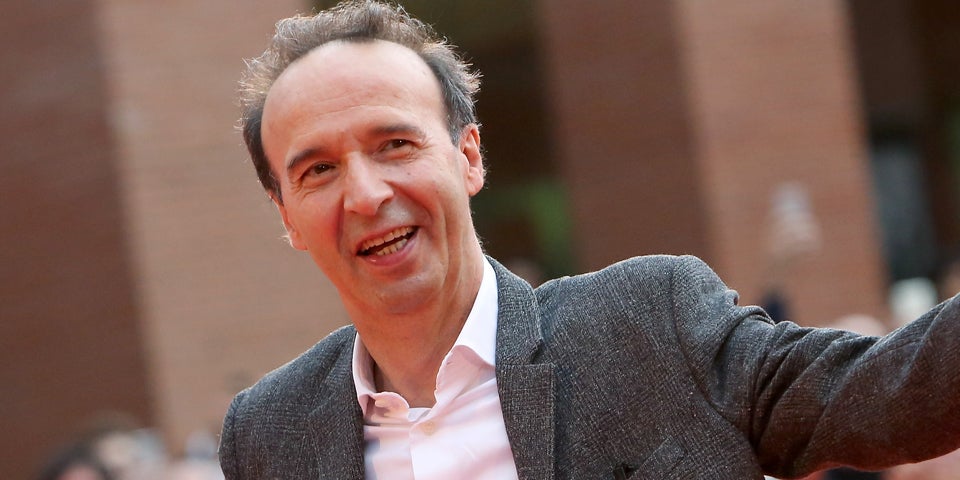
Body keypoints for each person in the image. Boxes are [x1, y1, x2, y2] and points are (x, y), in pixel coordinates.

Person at [218, 1, 960, 478]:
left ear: (468, 157)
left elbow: (891, 392)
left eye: (395, 144)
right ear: (286, 215)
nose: (366, 194)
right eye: (318, 170)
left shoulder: (648, 325)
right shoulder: (269, 435)